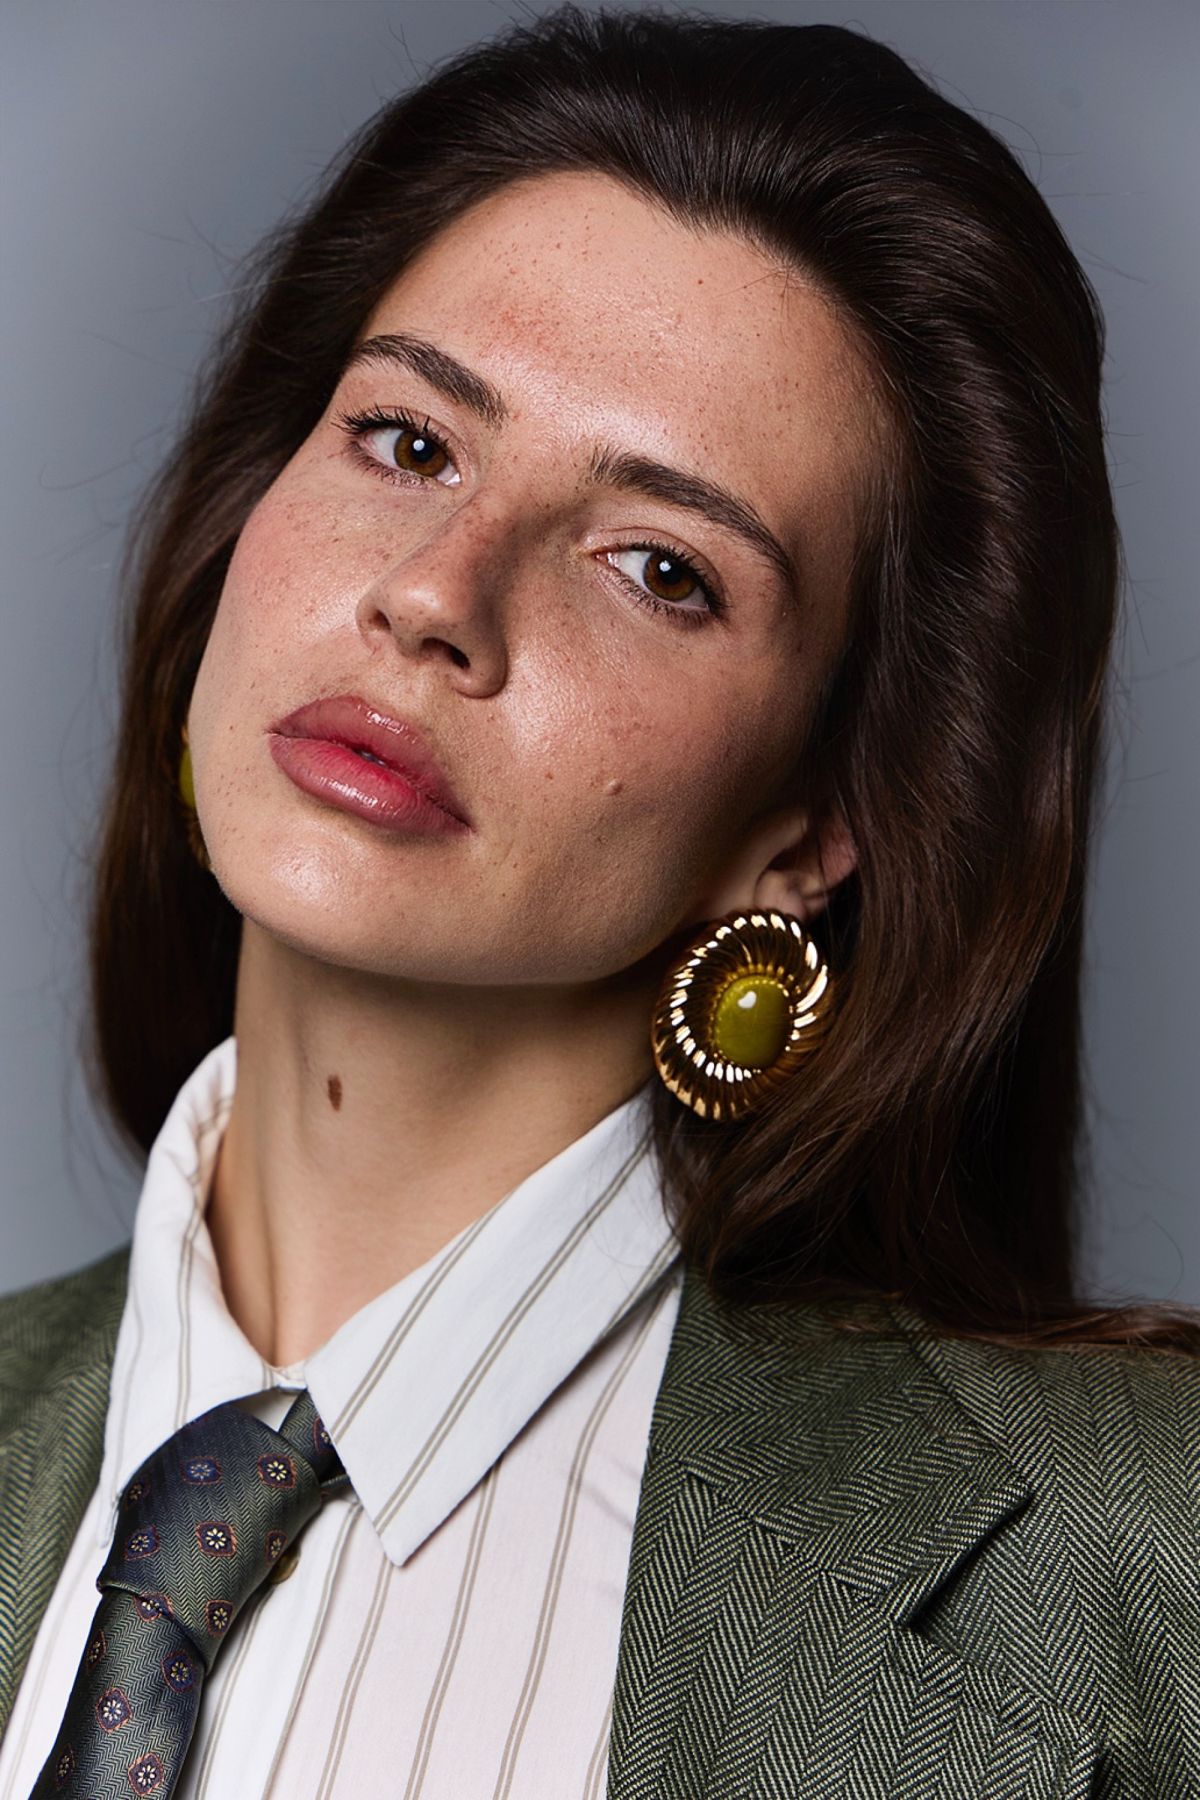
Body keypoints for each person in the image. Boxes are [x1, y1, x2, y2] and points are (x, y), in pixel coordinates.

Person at [0, 5, 1196, 1796]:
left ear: (814, 824)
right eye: (408, 443)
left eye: (658, 567)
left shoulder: (1138, 1572)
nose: (436, 596)